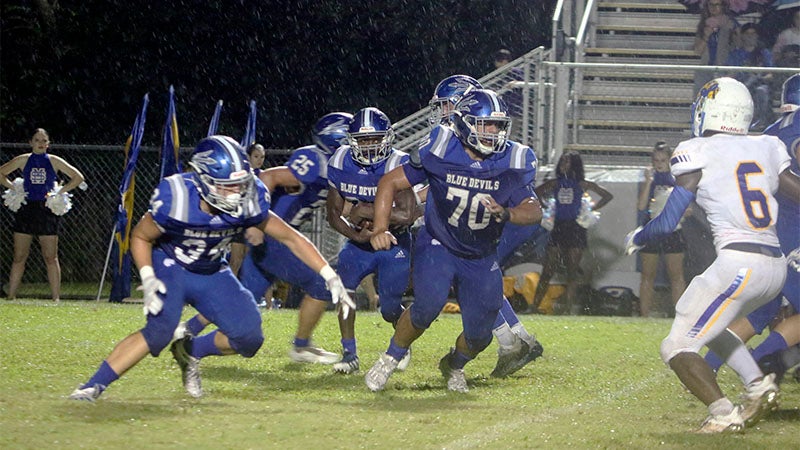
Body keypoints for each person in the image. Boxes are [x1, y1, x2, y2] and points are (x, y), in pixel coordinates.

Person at [68, 136, 353, 401]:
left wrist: (329, 277)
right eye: (227, 186)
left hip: (212, 269)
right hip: (172, 266)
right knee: (159, 330)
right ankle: (92, 387)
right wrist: (147, 275)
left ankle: (191, 351)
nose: (235, 193)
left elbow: (291, 237)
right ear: (202, 180)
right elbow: (141, 236)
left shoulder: (249, 197)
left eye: (239, 185)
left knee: (249, 338)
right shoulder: (177, 197)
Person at [624, 77, 800, 433]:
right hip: (775, 263)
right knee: (710, 325)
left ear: (709, 111)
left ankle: (723, 413)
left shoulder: (697, 151)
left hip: (739, 262)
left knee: (677, 346)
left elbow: (667, 222)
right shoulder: (766, 145)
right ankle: (758, 386)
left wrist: (639, 235)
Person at [364, 89, 542, 393]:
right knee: (427, 306)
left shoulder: (512, 160)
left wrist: (508, 213)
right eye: (486, 125)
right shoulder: (442, 148)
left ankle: (454, 365)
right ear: (464, 124)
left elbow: (534, 210)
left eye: (498, 125)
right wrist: (380, 228)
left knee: (480, 335)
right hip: (440, 244)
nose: (493, 133)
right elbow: (390, 182)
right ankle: (390, 358)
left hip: (481, 255)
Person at [175, 113, 354, 366]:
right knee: (321, 285)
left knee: (242, 297)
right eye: (352, 138)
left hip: (273, 237)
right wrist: (258, 221)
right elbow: (269, 177)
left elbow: (327, 203)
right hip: (275, 236)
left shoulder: (333, 166)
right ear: (337, 139)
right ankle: (301, 347)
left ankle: (188, 331)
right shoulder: (316, 160)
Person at [428, 74, 544, 377]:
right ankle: (520, 338)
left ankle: (510, 343)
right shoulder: (472, 135)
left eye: (445, 105)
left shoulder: (470, 138)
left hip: (505, 217)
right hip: (507, 216)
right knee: (481, 279)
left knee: (473, 280)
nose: (441, 113)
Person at [703, 73, 800, 384]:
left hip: (767, 229)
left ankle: (709, 364)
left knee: (762, 309)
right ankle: (760, 363)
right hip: (793, 230)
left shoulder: (771, 132)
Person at [325, 107, 419, 374]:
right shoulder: (340, 160)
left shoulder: (398, 163)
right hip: (358, 243)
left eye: (374, 139)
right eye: (363, 140)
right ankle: (349, 354)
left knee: (389, 308)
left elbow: (408, 213)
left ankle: (401, 342)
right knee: (344, 293)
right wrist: (357, 234)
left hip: (394, 242)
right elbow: (333, 214)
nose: (368, 146)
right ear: (351, 140)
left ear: (387, 138)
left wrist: (366, 211)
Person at [0, 128, 85, 302]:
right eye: (37, 140)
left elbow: (78, 177)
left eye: (44, 141)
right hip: (26, 208)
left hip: (47, 210)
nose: (40, 143)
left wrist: (61, 191)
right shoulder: (23, 160)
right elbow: (1, 173)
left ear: (48, 144)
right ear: (31, 142)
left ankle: (55, 298)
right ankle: (11, 296)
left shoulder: (54, 161)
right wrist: (14, 188)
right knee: (19, 256)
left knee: (50, 256)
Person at [525, 151, 613, 315]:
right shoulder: (555, 183)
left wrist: (590, 209)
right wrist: (545, 208)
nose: (563, 165)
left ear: (575, 165)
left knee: (572, 271)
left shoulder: (582, 184)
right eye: (562, 162)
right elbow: (535, 194)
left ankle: (568, 309)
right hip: (559, 227)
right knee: (548, 269)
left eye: (567, 162)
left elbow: (607, 196)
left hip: (576, 228)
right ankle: (534, 306)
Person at [636, 142, 687, 317]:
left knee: (676, 276)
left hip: (673, 230)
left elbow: (688, 209)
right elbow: (641, 205)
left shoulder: (677, 179)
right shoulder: (650, 180)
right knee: (647, 275)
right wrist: (648, 183)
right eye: (656, 160)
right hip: (652, 229)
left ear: (670, 160)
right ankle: (644, 315)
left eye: (663, 160)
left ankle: (680, 315)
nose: (659, 164)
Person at [227, 143, 266, 278]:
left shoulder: (265, 177)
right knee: (236, 261)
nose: (260, 160)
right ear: (248, 157)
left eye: (262, 157)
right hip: (240, 222)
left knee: (253, 263)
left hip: (256, 223)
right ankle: (229, 294)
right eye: (256, 156)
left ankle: (266, 299)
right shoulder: (240, 175)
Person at [725, 23, 775, 130]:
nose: (750, 36)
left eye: (753, 34)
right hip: (741, 85)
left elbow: (771, 74)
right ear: (742, 36)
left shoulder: (764, 53)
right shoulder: (735, 54)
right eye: (747, 34)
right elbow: (730, 74)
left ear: (757, 36)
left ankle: (760, 121)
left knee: (762, 91)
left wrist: (758, 75)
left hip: (759, 84)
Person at [693, 0, 739, 94]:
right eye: (711, 4)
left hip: (724, 67)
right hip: (706, 67)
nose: (714, 7)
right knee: (702, 95)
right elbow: (698, 51)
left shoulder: (731, 23)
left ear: (722, 6)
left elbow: (739, 45)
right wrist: (706, 36)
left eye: (717, 4)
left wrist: (732, 31)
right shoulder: (703, 24)